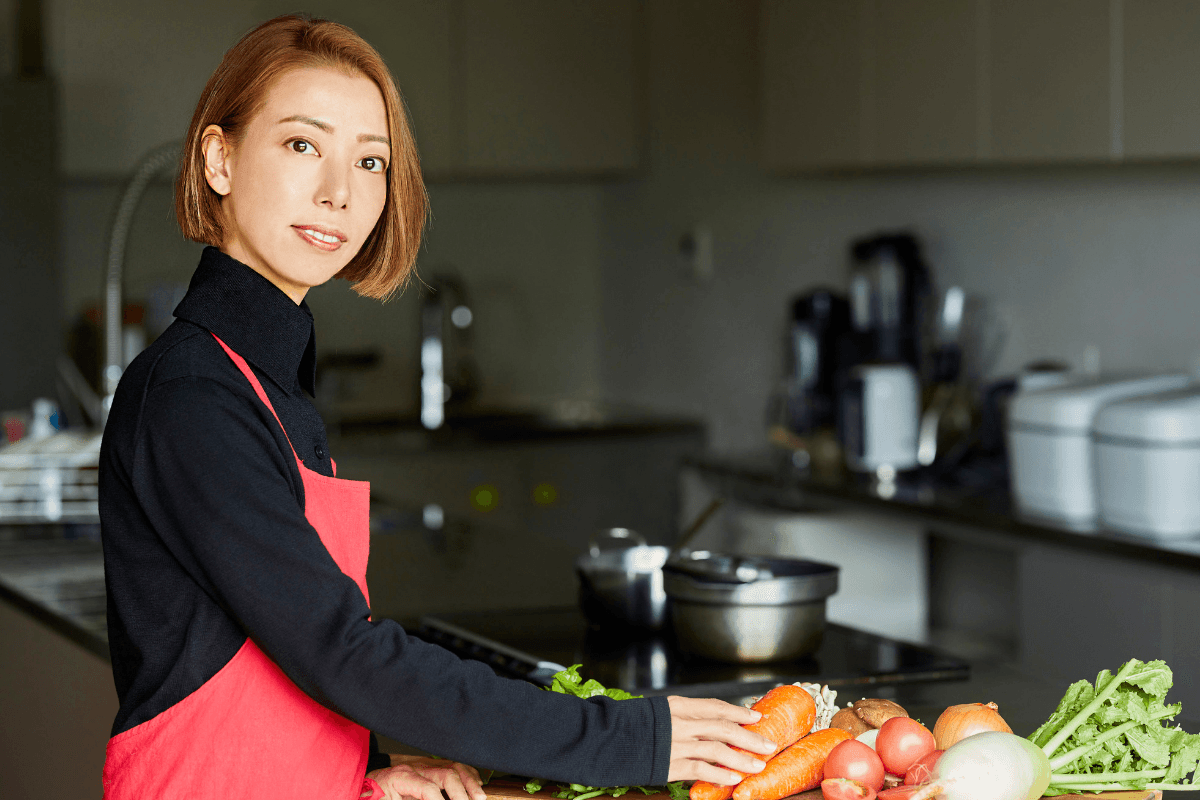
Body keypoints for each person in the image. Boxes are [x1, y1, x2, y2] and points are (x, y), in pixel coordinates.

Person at [98, 14, 774, 800]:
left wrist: (371, 770)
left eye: (371, 161)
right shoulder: (192, 395)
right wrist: (622, 738)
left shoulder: (262, 379)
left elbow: (271, 645)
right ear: (219, 158)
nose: (338, 192)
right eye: (302, 145)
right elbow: (336, 647)